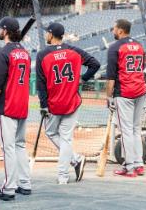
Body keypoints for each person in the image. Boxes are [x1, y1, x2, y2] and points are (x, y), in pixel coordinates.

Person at [36, 22, 100, 184]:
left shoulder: (43, 54)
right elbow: (95, 64)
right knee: (66, 139)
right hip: (72, 101)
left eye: (47, 33)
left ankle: (66, 172)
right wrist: (82, 79)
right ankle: (72, 164)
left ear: (51, 35)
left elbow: (41, 84)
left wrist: (43, 105)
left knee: (51, 133)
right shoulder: (74, 51)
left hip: (53, 103)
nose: (46, 35)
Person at [0, 17, 31, 201]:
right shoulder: (25, 52)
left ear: (5, 31)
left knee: (8, 148)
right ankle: (25, 183)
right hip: (22, 104)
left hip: (8, 105)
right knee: (19, 145)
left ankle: (9, 189)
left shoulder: (3, 53)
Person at [106, 19, 146, 177]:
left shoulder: (114, 48)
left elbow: (111, 78)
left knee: (126, 132)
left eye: (114, 28)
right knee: (136, 130)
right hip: (141, 90)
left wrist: (109, 98)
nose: (113, 31)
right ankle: (138, 164)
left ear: (120, 30)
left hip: (124, 93)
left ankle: (129, 167)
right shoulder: (139, 45)